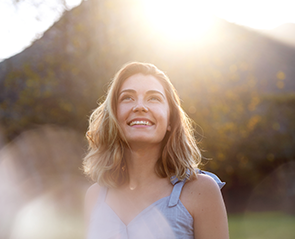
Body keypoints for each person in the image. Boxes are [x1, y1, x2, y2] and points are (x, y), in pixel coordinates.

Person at [83, 62, 229, 239]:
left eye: (154, 98)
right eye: (127, 98)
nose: (140, 107)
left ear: (170, 120)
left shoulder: (201, 191)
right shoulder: (95, 196)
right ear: (114, 116)